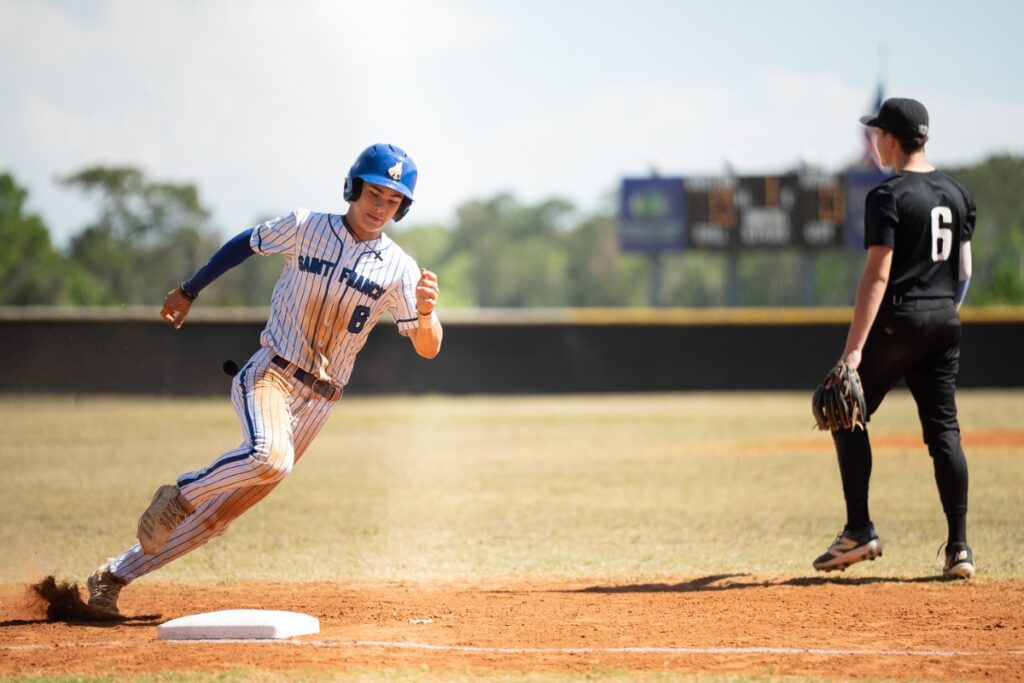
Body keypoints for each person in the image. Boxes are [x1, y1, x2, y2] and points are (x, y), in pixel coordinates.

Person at [86, 143, 443, 614]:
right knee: (270, 458)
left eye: (393, 200)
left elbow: (428, 347)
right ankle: (180, 493)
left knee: (217, 519)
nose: (381, 207)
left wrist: (425, 313)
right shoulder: (305, 226)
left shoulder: (400, 268)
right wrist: (189, 290)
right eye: (374, 192)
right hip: (271, 373)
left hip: (319, 402)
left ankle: (111, 577)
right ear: (353, 188)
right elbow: (245, 243)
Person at [812, 98, 977, 579]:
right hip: (945, 319)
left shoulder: (888, 195)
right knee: (944, 433)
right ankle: (959, 550)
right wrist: (944, 313)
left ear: (890, 137)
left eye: (877, 133)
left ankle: (859, 529)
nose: (874, 140)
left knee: (843, 407)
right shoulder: (957, 193)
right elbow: (963, 270)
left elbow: (876, 278)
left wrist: (852, 352)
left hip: (896, 321)